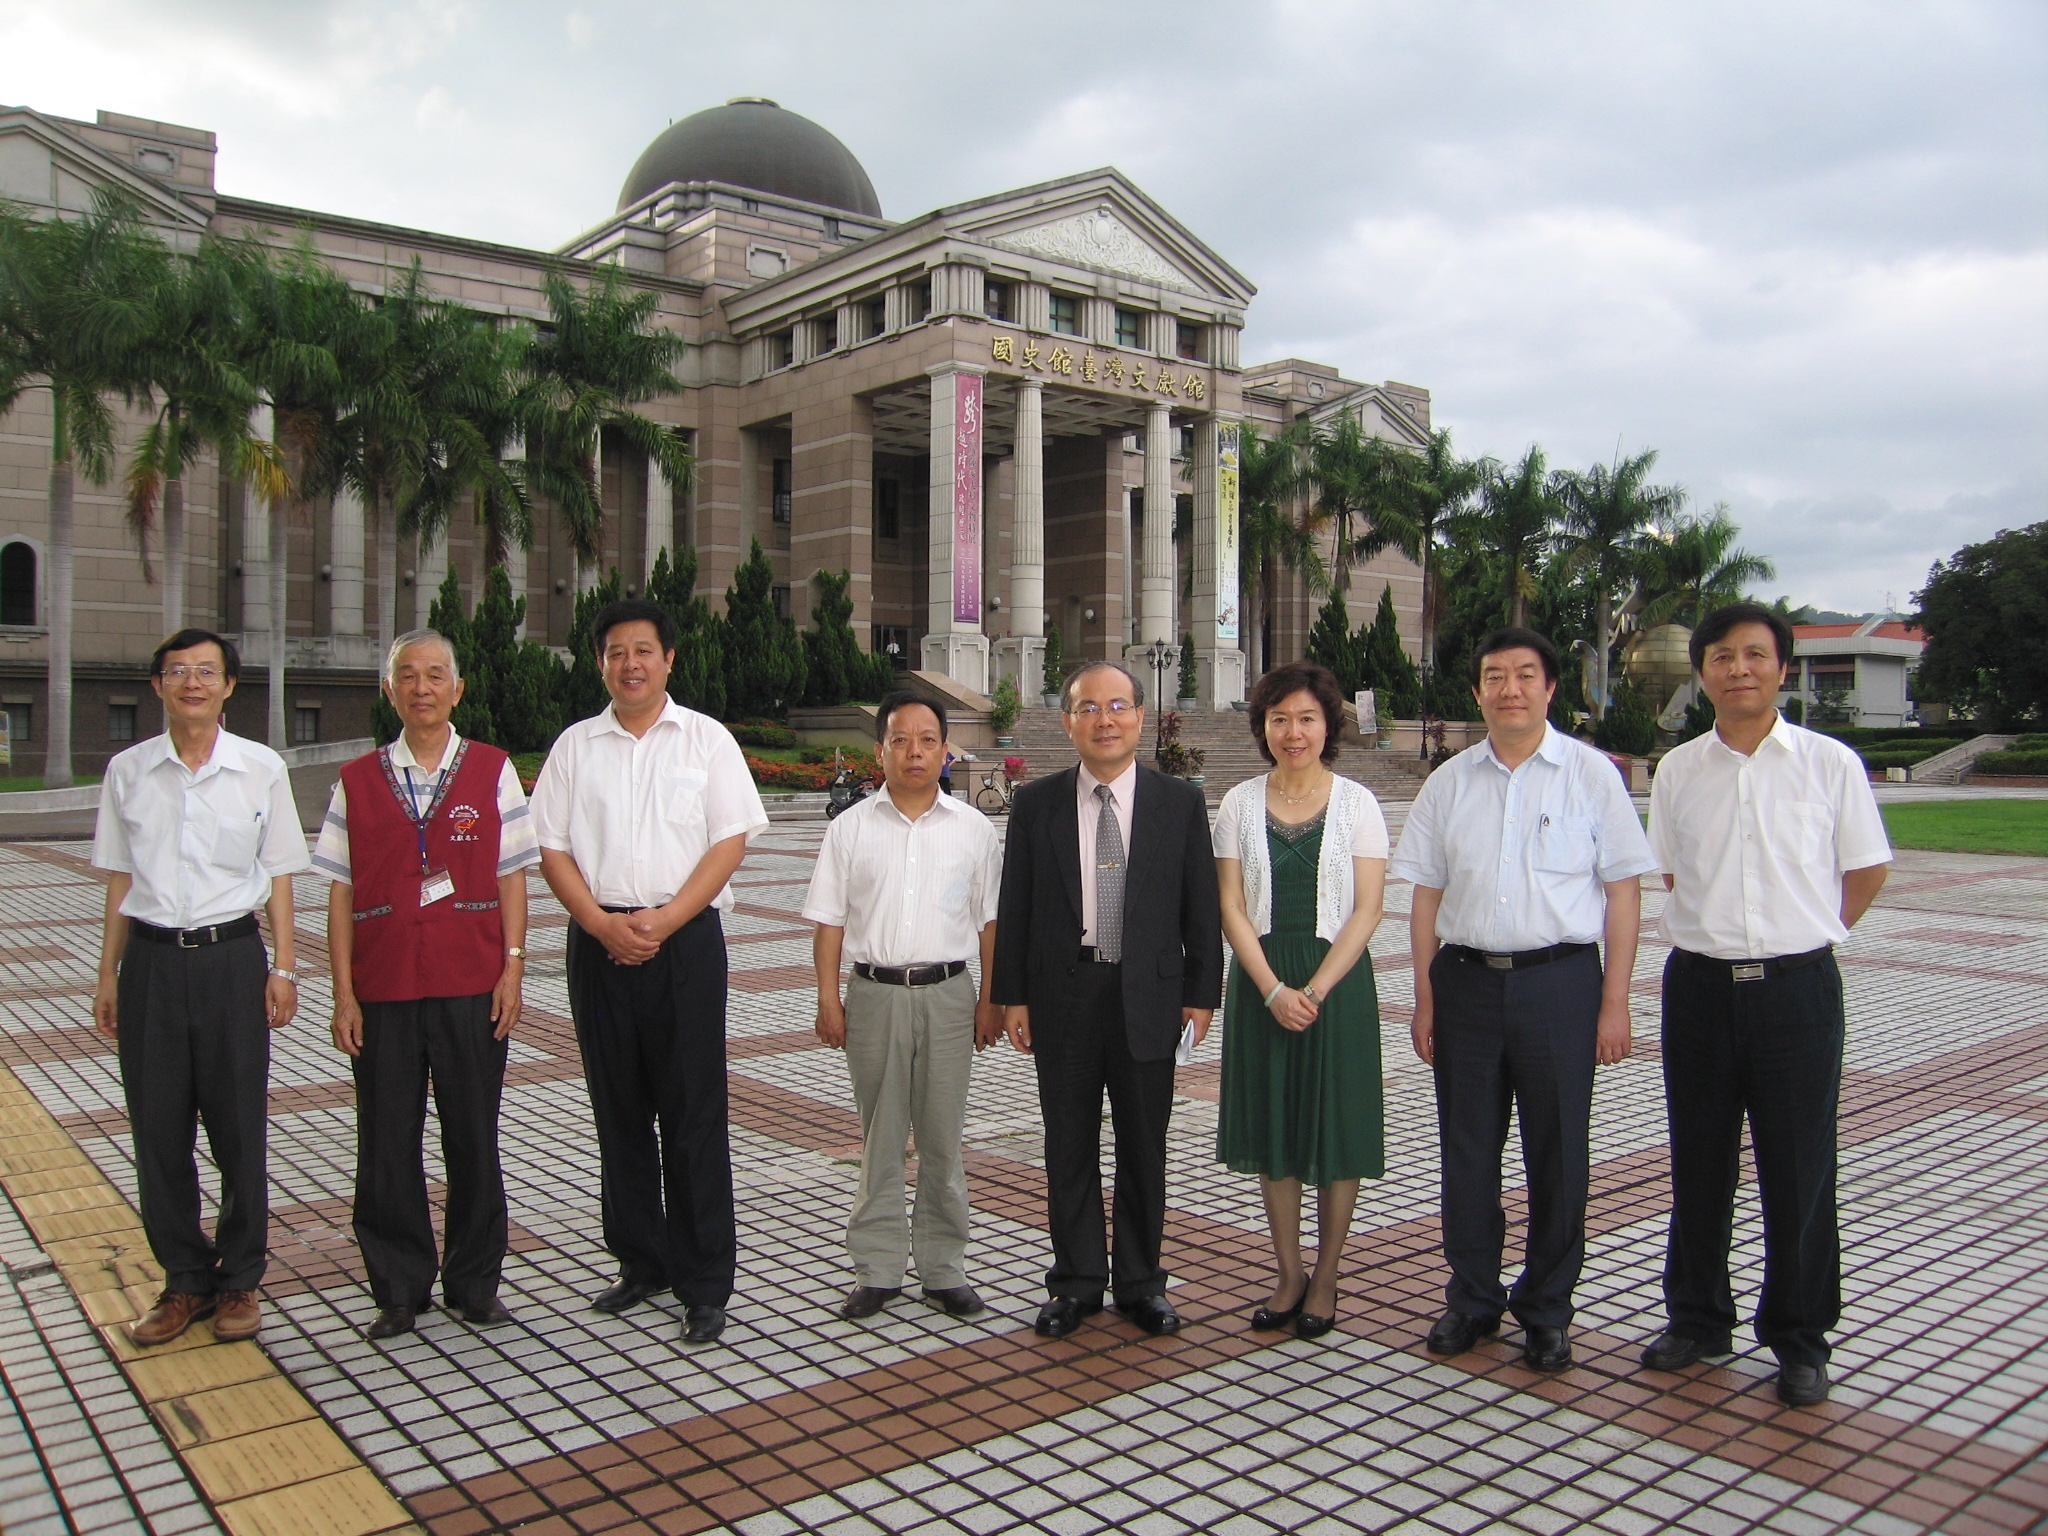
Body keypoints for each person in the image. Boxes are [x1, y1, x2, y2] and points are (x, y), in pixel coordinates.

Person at [1640, 602, 1890, 1407]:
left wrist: (1810, 932)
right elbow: (1676, 876)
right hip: (1702, 988)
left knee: (1800, 1168)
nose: (1738, 668)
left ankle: (1800, 1336)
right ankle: (1699, 1318)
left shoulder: (1829, 764)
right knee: (1699, 1160)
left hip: (1798, 992)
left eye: (1754, 655)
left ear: (1782, 668)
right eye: (1722, 656)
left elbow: (1864, 872)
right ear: (1703, 670)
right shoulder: (1678, 770)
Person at [1390, 626, 1656, 1372]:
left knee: (1559, 1150)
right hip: (1466, 982)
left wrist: (1615, 1001)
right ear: (1476, 692)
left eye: (1525, 674)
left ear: (1549, 687)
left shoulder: (1590, 774)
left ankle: (1547, 1306)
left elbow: (1623, 893)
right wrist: (1424, 998)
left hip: (1561, 984)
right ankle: (1472, 1297)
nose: (1510, 688)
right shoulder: (1449, 782)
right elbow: (1425, 896)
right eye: (1495, 676)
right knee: (1467, 1149)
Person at [532, 599, 768, 1345]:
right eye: (614, 652)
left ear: (669, 659)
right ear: (599, 663)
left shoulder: (707, 741)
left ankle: (704, 1282)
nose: (629, 664)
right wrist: (601, 924)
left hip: (686, 944)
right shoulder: (575, 747)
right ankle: (641, 1261)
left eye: (643, 650)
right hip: (598, 945)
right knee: (618, 1107)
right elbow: (553, 850)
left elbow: (728, 843)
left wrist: (663, 922)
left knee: (694, 1111)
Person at [311, 630, 539, 1341]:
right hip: (382, 988)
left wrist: (513, 965)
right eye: (407, 676)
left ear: (457, 689)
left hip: (471, 980)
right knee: (385, 1141)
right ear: (390, 692)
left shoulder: (494, 770)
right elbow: (340, 893)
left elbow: (511, 875)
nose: (421, 688)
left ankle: (474, 1283)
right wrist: (343, 993)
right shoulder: (356, 779)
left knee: (473, 1135)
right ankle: (399, 1287)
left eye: (435, 675)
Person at [90, 629, 309, 1346]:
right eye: (178, 671)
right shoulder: (128, 771)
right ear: (158, 685)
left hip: (230, 961)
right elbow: (121, 877)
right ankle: (184, 1280)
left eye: (206, 671)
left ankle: (241, 1278)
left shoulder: (259, 768)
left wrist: (284, 967)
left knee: (239, 1127)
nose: (192, 682)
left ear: (228, 686)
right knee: (157, 1131)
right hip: (150, 963)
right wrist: (107, 975)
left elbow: (279, 874)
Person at [991, 660, 1223, 1338]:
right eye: (1088, 708)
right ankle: (1076, 1281)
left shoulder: (1178, 803)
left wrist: (1202, 991)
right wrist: (1013, 995)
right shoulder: (1036, 805)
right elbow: (1017, 904)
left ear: (1140, 716)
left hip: (1148, 995)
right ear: (1068, 722)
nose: (1105, 719)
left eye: (1117, 705)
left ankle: (1142, 1282)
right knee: (1068, 1144)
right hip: (1063, 994)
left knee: (1143, 1147)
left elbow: (1200, 906)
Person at [803, 691, 1004, 1321]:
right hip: (874, 996)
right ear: (880, 749)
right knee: (880, 1136)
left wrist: (991, 1000)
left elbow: (991, 924)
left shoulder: (973, 829)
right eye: (899, 739)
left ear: (946, 751)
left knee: (943, 1139)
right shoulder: (850, 828)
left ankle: (944, 1268)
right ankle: (878, 1268)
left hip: (949, 995)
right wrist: (827, 999)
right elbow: (829, 922)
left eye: (926, 740)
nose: (913, 752)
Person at [1214, 663, 1389, 1339]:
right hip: (1264, 980)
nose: (1294, 732)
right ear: (1263, 726)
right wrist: (1270, 989)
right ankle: (1288, 1272)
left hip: (1336, 988)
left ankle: (1328, 1274)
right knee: (1276, 1127)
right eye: (1280, 718)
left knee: (1334, 1127)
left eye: (1307, 718)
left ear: (1329, 725)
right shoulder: (1237, 803)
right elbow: (1230, 906)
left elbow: (1369, 909)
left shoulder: (1358, 805)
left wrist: (1311, 990)